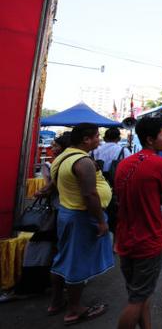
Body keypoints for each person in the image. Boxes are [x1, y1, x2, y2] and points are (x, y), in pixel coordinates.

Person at [114, 117, 162, 329]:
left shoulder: (125, 163)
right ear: (150, 140)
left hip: (125, 240)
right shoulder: (161, 164)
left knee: (140, 295)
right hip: (148, 241)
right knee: (136, 301)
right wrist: (157, 196)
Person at [49, 123, 113, 325]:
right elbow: (89, 194)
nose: (99, 140)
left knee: (62, 258)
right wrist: (101, 222)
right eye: (96, 137)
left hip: (67, 213)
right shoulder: (83, 161)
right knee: (77, 262)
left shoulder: (62, 157)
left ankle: (57, 301)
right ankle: (74, 310)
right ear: (86, 139)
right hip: (82, 217)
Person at [0, 134, 71, 304]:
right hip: (59, 213)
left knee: (41, 249)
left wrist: (43, 191)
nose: (52, 149)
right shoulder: (65, 162)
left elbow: (51, 187)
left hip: (56, 213)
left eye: (55, 145)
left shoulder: (61, 163)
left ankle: (37, 288)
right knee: (51, 249)